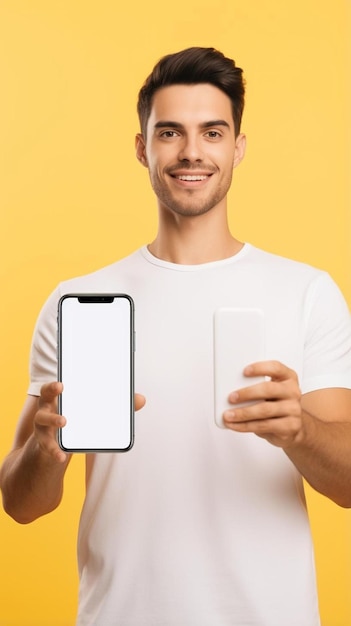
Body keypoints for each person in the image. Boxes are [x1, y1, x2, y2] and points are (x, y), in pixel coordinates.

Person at [1, 46, 351, 626]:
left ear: (238, 147)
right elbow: (20, 504)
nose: (192, 152)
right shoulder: (77, 301)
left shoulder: (308, 292)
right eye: (170, 132)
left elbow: (347, 487)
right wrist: (45, 452)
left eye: (212, 132)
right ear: (143, 148)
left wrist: (300, 430)